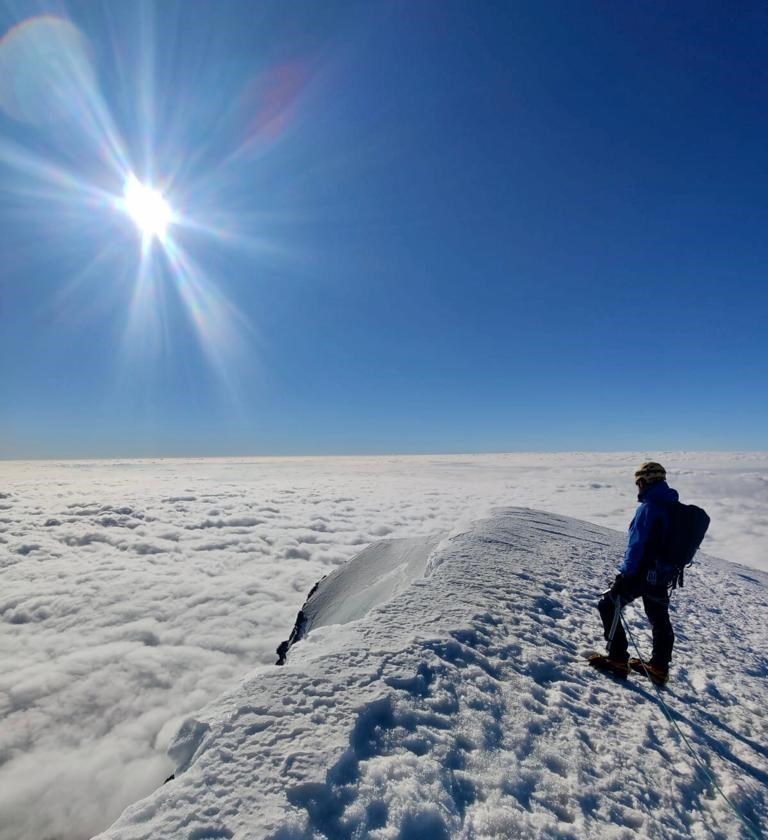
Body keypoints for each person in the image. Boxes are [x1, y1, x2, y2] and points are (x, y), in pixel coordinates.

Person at [590, 461, 679, 685]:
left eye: (638, 481)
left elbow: (637, 546)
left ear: (644, 481)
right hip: (664, 574)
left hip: (643, 573)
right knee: (659, 617)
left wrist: (625, 576)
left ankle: (618, 658)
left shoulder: (649, 508)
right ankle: (659, 667)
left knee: (608, 605)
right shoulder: (672, 506)